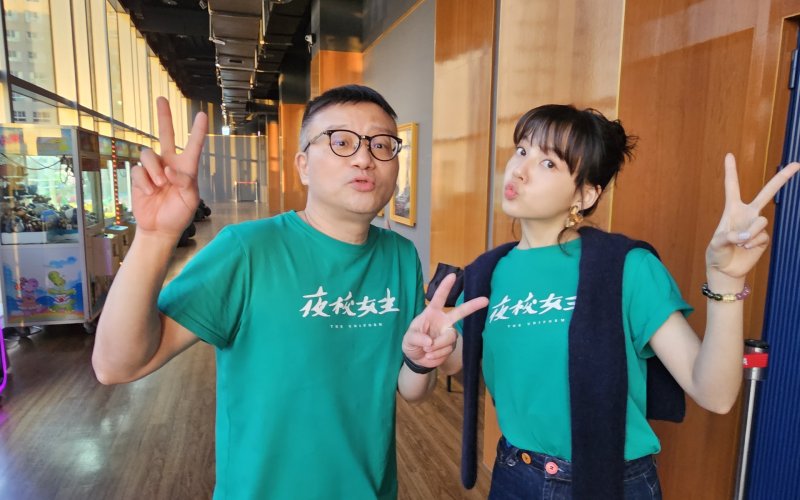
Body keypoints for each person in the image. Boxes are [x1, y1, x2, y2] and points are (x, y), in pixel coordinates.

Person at [92, 85, 487, 499]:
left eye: (382, 144)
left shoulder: (400, 256)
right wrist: (155, 236)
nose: (364, 158)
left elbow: (410, 391)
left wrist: (421, 362)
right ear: (303, 165)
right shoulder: (247, 250)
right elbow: (116, 366)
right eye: (341, 142)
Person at [439, 104, 800, 499]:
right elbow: (455, 361)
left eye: (549, 163)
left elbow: (714, 394)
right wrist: (429, 347)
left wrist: (726, 280)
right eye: (522, 150)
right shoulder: (488, 272)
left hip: (613, 482)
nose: (519, 170)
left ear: (586, 193)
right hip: (515, 476)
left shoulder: (626, 267)